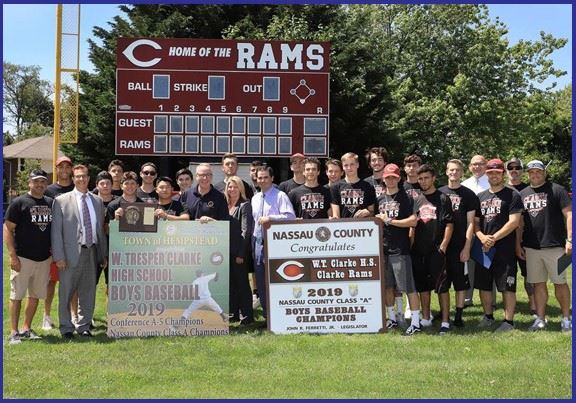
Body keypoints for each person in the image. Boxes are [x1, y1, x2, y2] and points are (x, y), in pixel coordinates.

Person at [51, 165, 108, 339]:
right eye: (78, 176)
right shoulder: (61, 201)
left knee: (88, 291)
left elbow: (99, 230)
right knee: (66, 292)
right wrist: (59, 256)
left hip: (91, 252)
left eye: (84, 176)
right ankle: (66, 328)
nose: (81, 179)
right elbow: (56, 232)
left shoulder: (97, 201)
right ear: (73, 178)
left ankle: (84, 326)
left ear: (89, 178)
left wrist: (103, 254)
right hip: (69, 255)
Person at [519, 160, 572, 332]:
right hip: (532, 248)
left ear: (544, 173)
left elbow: (569, 215)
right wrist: (518, 244)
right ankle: (541, 320)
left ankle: (566, 319)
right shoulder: (523, 193)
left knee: (560, 283)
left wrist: (570, 240)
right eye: (532, 172)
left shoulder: (557, 190)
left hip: (556, 247)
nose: (535, 175)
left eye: (538, 172)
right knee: (538, 284)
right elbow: (520, 223)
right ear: (528, 174)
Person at [4, 169, 53, 344]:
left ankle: (26, 328)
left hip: (44, 258)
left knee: (35, 296)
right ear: (30, 183)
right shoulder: (19, 203)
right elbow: (8, 229)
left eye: (42, 182)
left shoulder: (50, 203)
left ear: (46, 184)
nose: (39, 185)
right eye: (36, 181)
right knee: (16, 295)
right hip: (23, 258)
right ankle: (13, 332)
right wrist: (13, 256)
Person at [474, 159, 523, 332]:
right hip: (484, 249)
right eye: (490, 172)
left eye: (497, 172)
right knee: (484, 284)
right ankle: (488, 316)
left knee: (507, 285)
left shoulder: (512, 195)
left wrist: (493, 238)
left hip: (504, 249)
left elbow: (514, 222)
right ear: (486, 174)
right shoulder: (480, 197)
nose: (493, 175)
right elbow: (475, 223)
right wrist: (481, 237)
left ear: (502, 173)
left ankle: (508, 321)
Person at [375, 163, 422, 336]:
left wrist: (390, 221)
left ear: (398, 178)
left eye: (394, 177)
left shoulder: (406, 197)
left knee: (408, 287)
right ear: (383, 178)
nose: (390, 180)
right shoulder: (379, 199)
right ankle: (392, 319)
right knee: (387, 287)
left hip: (400, 249)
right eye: (387, 177)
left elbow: (413, 221)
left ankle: (416, 323)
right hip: (383, 249)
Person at [411, 164, 454, 333]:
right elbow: (413, 224)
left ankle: (445, 321)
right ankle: (426, 318)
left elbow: (449, 224)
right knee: (423, 287)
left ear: (434, 178)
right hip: (419, 250)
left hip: (437, 249)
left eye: (426, 177)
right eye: (420, 178)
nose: (423, 181)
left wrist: (443, 246)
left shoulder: (443, 198)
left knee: (442, 287)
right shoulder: (416, 199)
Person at [251, 166, 295, 321]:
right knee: (261, 280)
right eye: (259, 178)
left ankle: (281, 315)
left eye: (265, 177)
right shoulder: (255, 198)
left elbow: (290, 217)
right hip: (258, 242)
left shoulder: (280, 196)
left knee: (277, 279)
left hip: (275, 244)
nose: (262, 180)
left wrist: (271, 219)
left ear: (272, 178)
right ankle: (267, 316)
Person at [439, 159, 479, 329]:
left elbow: (471, 223)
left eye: (457, 170)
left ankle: (459, 315)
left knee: (460, 283)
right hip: (442, 245)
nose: (453, 173)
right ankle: (444, 314)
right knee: (443, 282)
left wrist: (467, 247)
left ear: (462, 173)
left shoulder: (469, 195)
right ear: (446, 172)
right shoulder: (439, 192)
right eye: (451, 170)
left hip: (459, 244)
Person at [43, 155, 74, 331]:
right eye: (60, 167)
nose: (64, 170)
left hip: (73, 243)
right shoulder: (49, 190)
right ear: (56, 169)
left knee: (73, 282)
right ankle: (46, 316)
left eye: (67, 167)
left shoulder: (77, 187)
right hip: (55, 243)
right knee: (52, 281)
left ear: (71, 169)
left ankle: (73, 314)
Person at [505, 158, 536, 315]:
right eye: (510, 167)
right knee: (508, 274)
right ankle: (509, 306)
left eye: (517, 167)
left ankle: (533, 306)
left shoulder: (529, 189)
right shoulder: (501, 189)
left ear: (522, 171)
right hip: (505, 240)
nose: (514, 170)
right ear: (506, 170)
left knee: (529, 273)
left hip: (527, 239)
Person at [225, 176, 255, 325]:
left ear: (241, 188)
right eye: (230, 187)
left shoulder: (245, 205)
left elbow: (246, 231)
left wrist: (241, 253)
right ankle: (233, 314)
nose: (232, 189)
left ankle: (247, 316)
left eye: (235, 186)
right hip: (226, 252)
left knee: (242, 285)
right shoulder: (226, 204)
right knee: (231, 284)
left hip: (239, 252)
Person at [461, 154, 490, 307]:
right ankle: (467, 298)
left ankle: (490, 300)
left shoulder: (491, 181)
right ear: (469, 167)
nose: (477, 167)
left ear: (485, 165)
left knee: (487, 264)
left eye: (480, 164)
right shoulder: (464, 184)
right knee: (469, 264)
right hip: (469, 230)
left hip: (488, 229)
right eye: (474, 164)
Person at [93, 171, 118, 291]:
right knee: (89, 283)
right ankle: (83, 310)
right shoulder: (89, 201)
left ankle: (110, 310)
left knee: (112, 284)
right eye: (102, 183)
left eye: (108, 183)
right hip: (94, 247)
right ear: (97, 185)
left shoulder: (119, 203)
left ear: (112, 185)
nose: (105, 186)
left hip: (113, 247)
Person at [330, 152, 376, 219]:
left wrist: (368, 213)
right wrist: (334, 219)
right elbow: (336, 215)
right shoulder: (335, 187)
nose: (349, 168)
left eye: (352, 164)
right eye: (346, 165)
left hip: (363, 228)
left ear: (357, 165)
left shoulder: (368, 186)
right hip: (343, 227)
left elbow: (372, 212)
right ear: (342, 167)